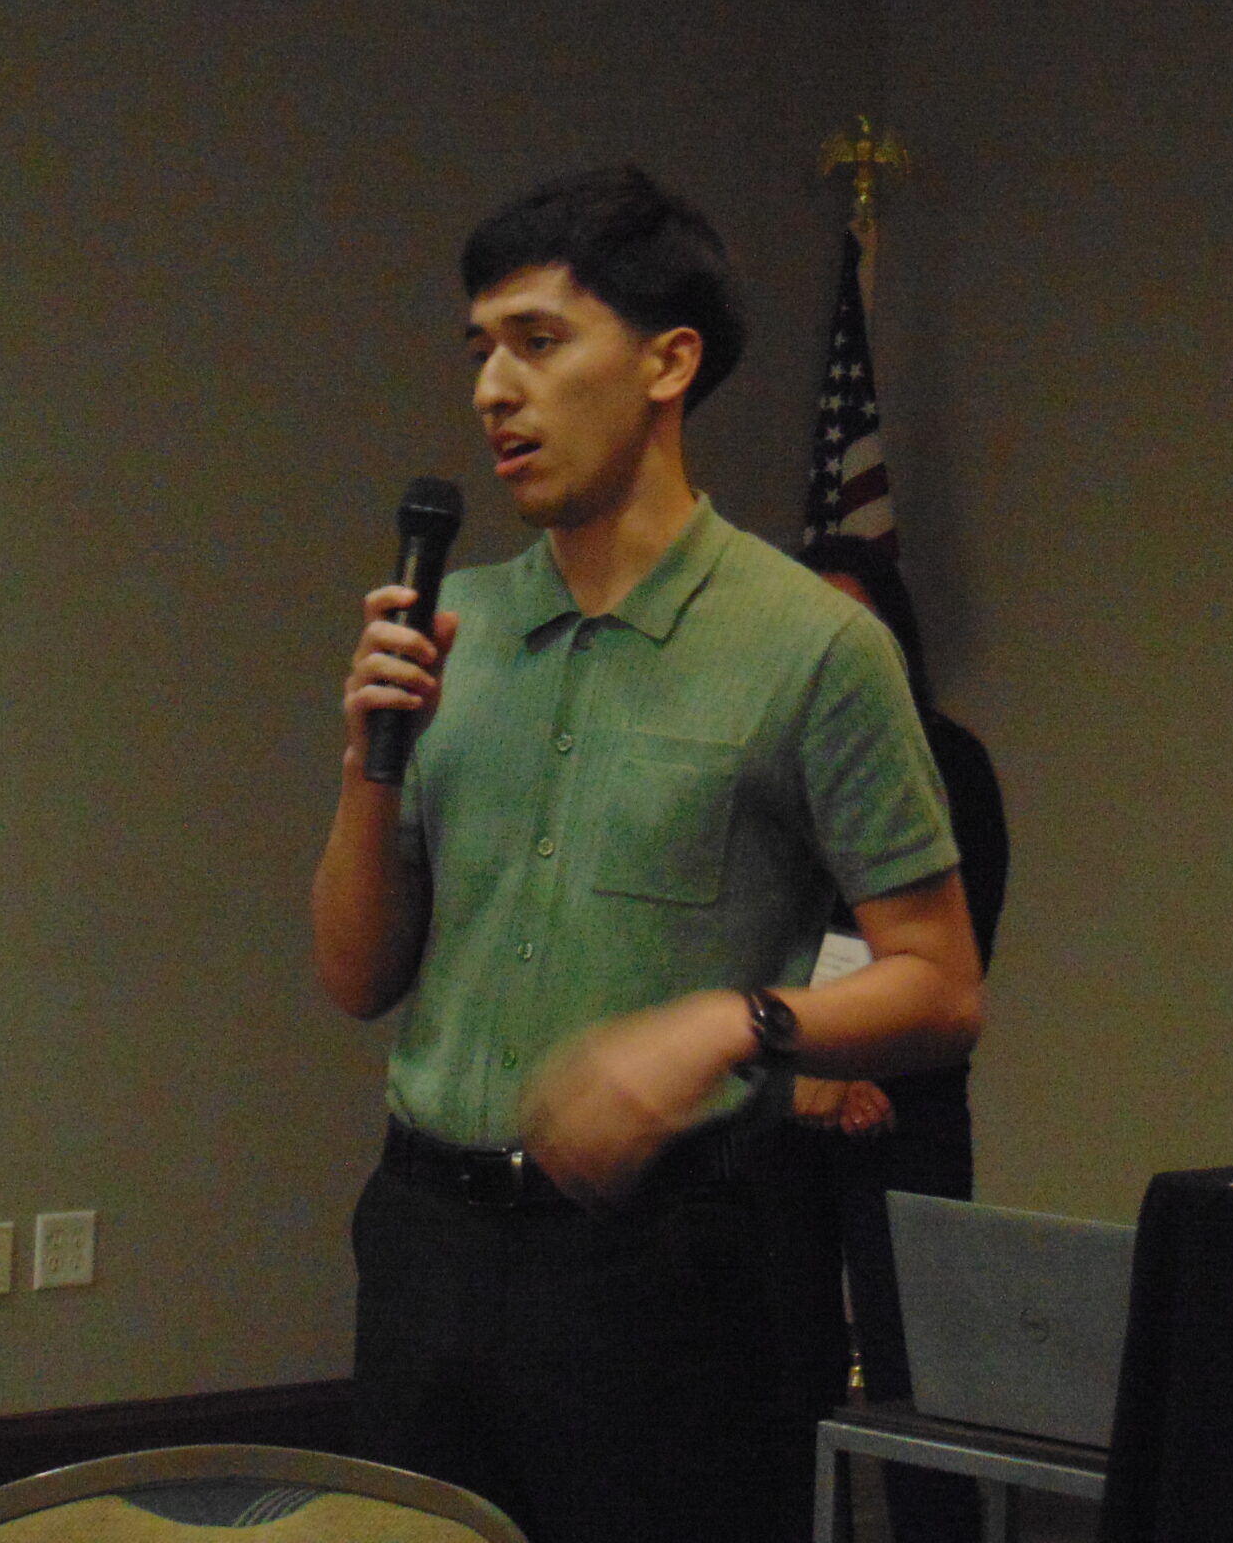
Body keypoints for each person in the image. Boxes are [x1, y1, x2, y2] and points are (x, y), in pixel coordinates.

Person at [311, 165, 985, 1543]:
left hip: (669, 1270)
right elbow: (354, 974)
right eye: (480, 351)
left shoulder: (814, 648)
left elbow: (940, 986)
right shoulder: (456, 631)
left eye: (538, 342)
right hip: (426, 1243)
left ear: (668, 363)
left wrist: (727, 1025)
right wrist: (363, 769)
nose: (493, 391)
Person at [772, 534, 1011, 1543]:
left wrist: (855, 1064)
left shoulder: (947, 760)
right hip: (778, 1103)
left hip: (906, 1104)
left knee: (923, 1387)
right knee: (781, 1376)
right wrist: (807, 1070)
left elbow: (961, 947)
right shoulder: (764, 761)